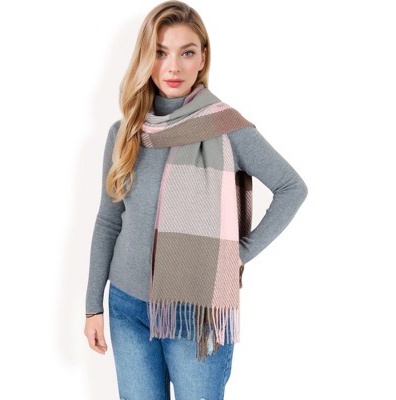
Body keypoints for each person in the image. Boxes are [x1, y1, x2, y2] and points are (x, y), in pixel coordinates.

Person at [84, 1, 308, 399]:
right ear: (145, 57)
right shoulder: (125, 132)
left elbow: (292, 187)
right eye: (160, 52)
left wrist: (238, 253)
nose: (173, 67)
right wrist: (92, 307)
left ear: (202, 57)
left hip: (196, 310)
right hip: (126, 306)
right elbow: (108, 221)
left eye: (186, 52)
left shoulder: (226, 127)